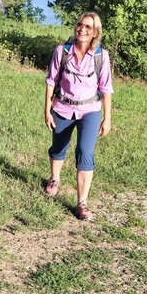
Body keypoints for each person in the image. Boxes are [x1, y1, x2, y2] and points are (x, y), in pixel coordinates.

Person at [43, 12, 113, 221]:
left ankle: (82, 202)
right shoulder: (61, 51)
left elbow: (106, 87)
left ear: (95, 33)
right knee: (58, 147)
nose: (82, 29)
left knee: (85, 152)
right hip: (63, 107)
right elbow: (50, 81)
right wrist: (46, 109)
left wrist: (107, 117)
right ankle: (54, 179)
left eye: (88, 27)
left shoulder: (102, 56)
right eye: (80, 25)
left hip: (90, 110)